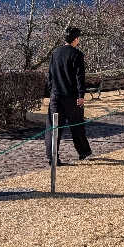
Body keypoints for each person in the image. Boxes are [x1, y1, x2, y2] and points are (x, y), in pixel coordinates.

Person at [45, 26, 93, 164]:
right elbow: (80, 78)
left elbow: (50, 75)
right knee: (77, 125)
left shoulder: (55, 53)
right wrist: (81, 95)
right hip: (72, 97)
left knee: (53, 128)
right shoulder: (77, 54)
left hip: (56, 96)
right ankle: (83, 152)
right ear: (76, 39)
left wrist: (51, 90)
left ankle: (52, 156)